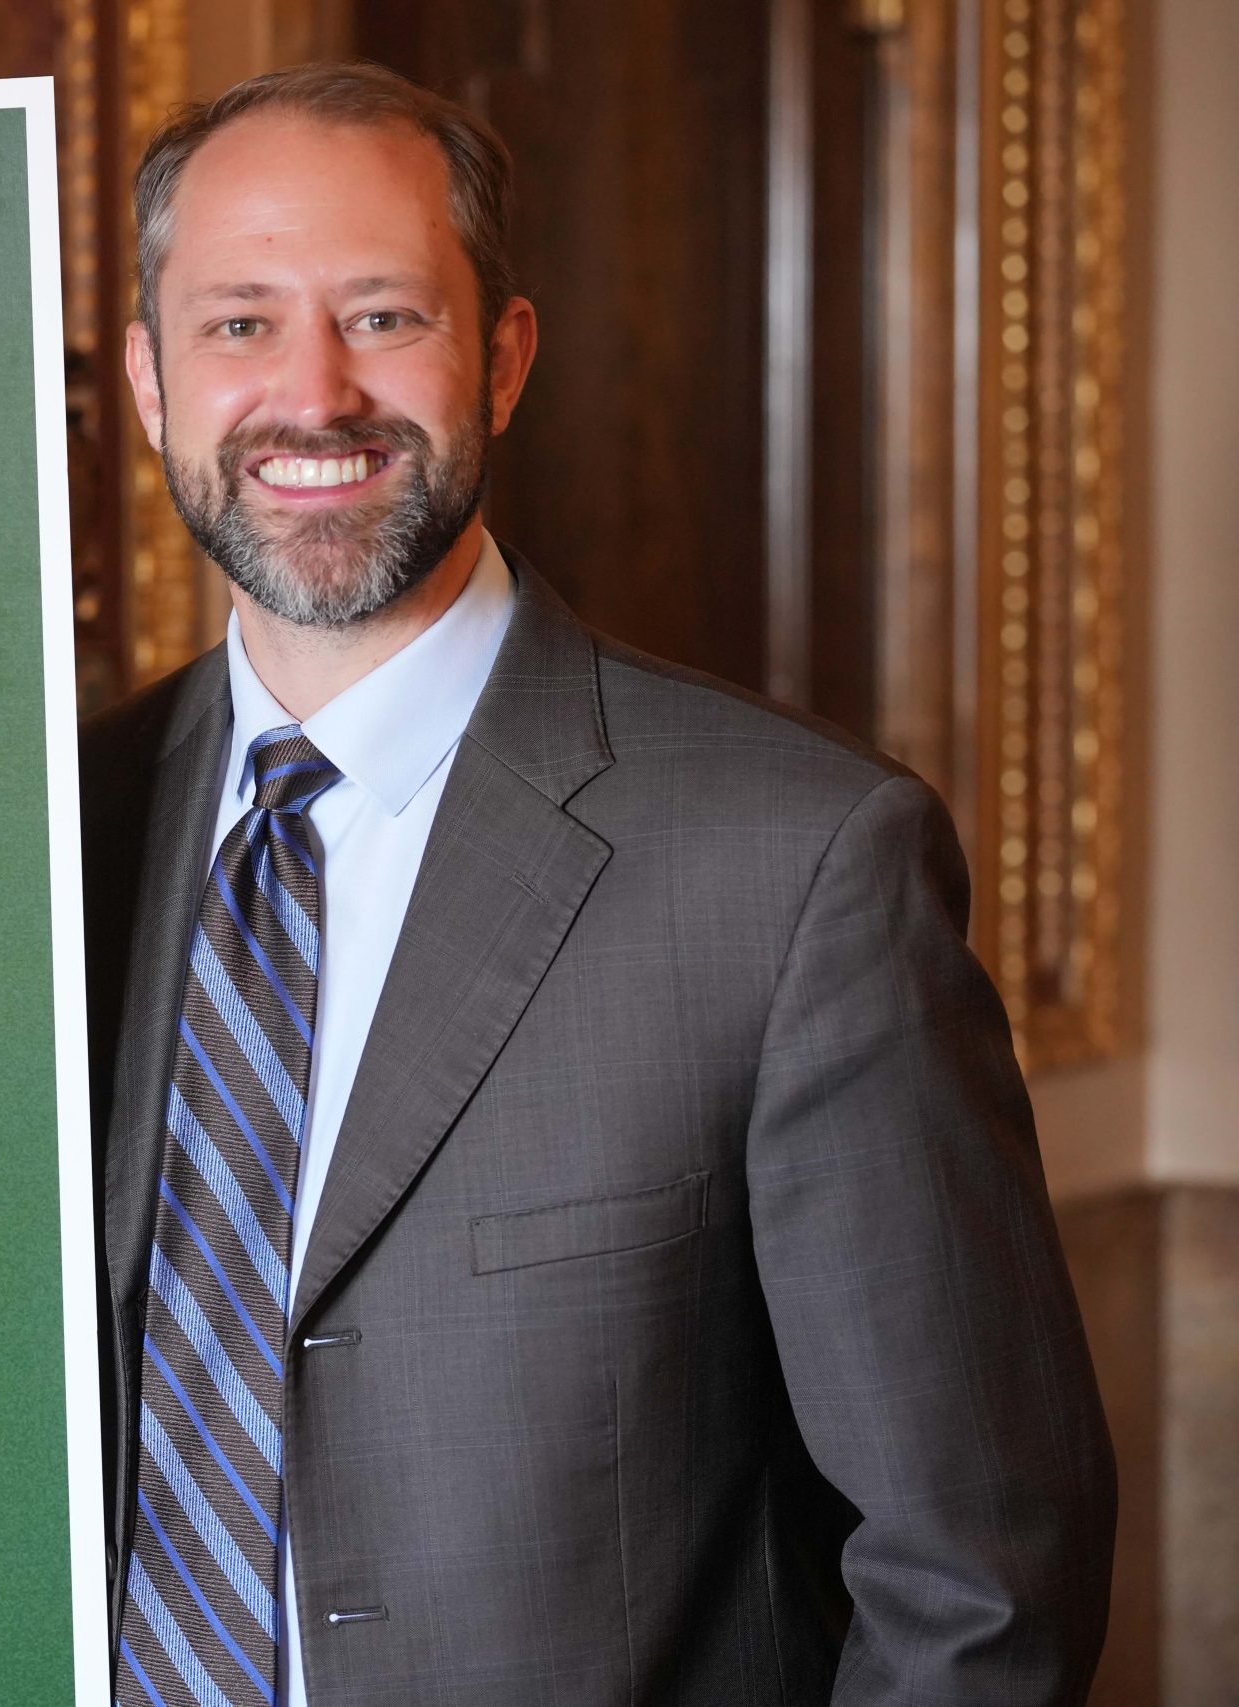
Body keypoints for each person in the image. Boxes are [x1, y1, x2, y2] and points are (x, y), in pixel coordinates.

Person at [82, 61, 1115, 1707]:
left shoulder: (800, 865)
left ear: (503, 359)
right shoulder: (63, 842)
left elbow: (979, 1580)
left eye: (384, 316)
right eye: (239, 324)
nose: (314, 393)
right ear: (149, 379)